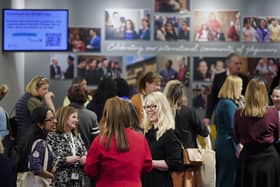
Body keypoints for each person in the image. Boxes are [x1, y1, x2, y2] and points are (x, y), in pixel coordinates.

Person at [84, 97, 152, 187]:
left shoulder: (100, 141)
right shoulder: (140, 139)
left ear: (107, 116)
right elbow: (147, 166)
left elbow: (90, 170)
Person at [234, 78, 280, 187]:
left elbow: (237, 136)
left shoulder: (238, 113)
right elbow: (277, 135)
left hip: (247, 159)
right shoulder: (272, 112)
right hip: (269, 159)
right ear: (264, 93)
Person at [142, 91, 183, 187]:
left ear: (162, 108)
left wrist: (150, 163)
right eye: (147, 107)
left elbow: (175, 163)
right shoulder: (148, 133)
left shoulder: (170, 134)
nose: (149, 110)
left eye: (153, 106)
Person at [48, 106, 88, 187]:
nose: (77, 120)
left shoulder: (76, 136)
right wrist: (65, 160)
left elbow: (85, 153)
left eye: (77, 118)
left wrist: (85, 158)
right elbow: (49, 160)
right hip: (60, 181)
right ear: (64, 117)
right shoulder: (52, 136)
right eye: (74, 117)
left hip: (78, 181)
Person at [203, 53, 248, 126]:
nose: (239, 66)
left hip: (239, 117)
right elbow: (212, 98)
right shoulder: (218, 78)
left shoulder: (244, 79)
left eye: (240, 64)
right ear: (228, 64)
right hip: (221, 116)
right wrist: (208, 116)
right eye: (236, 63)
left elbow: (246, 97)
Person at [16, 106, 57, 186]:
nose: (55, 121)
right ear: (40, 124)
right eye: (50, 119)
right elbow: (35, 166)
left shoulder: (32, 140)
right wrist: (51, 176)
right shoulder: (39, 143)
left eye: (54, 118)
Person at [214, 76, 243, 187]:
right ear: (234, 87)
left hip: (224, 143)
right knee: (228, 177)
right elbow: (233, 127)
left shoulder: (223, 102)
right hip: (229, 145)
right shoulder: (228, 104)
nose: (241, 89)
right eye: (240, 87)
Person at [163, 80, 209, 148]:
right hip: (188, 154)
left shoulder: (162, 112)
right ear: (182, 94)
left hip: (167, 153)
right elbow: (205, 132)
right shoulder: (189, 112)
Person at [15, 76, 55, 145]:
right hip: (28, 139)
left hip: (23, 136)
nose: (47, 91)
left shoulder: (27, 97)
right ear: (35, 89)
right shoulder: (32, 100)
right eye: (44, 89)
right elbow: (51, 118)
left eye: (47, 88)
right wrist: (49, 101)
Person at [68, 84, 99, 150]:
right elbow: (97, 141)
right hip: (86, 156)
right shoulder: (92, 116)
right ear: (86, 97)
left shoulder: (60, 114)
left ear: (68, 97)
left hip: (65, 156)